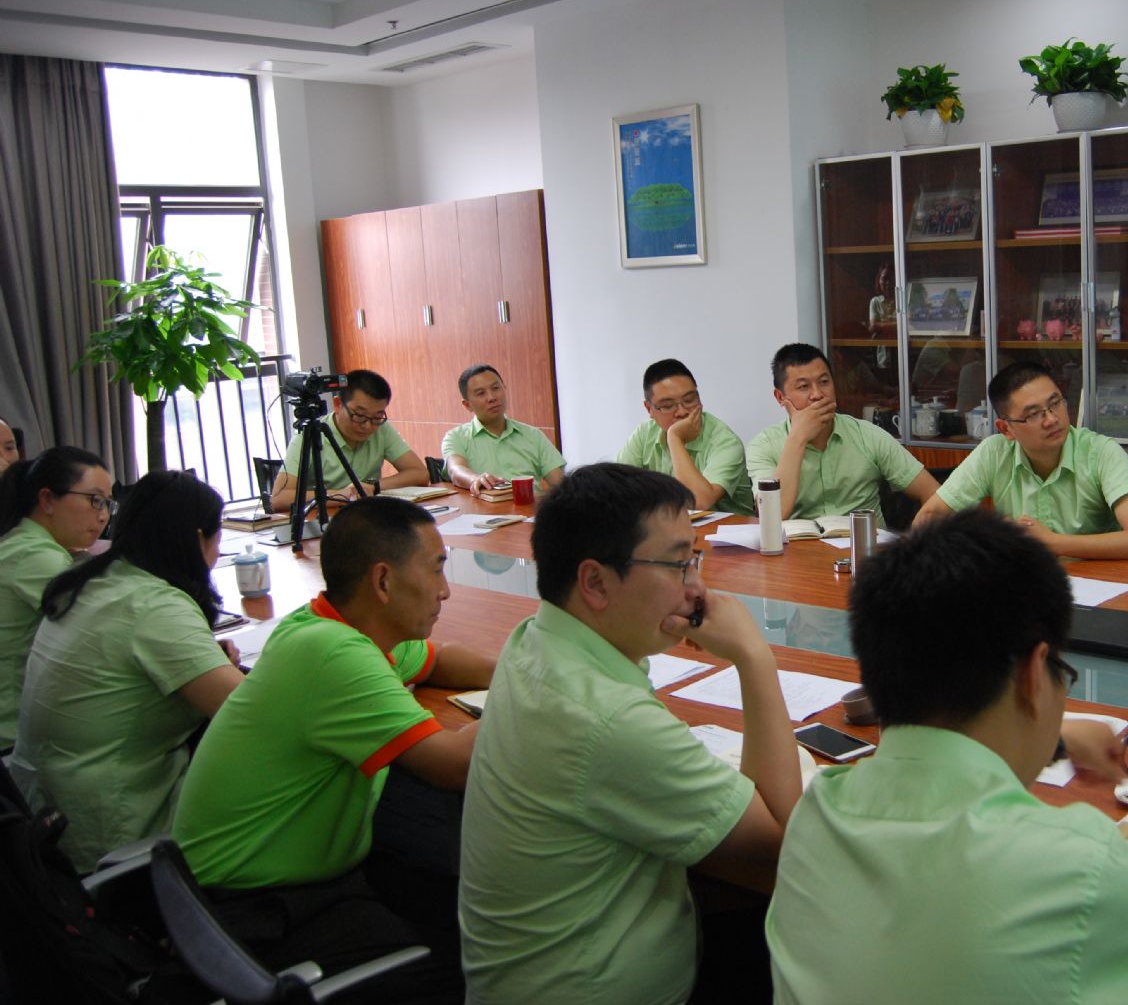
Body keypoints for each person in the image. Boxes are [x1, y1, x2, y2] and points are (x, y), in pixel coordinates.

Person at [766, 509, 1128, 1005]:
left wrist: (1055, 737)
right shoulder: (1080, 868)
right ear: (1034, 674)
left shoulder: (816, 815)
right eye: (1062, 671)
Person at [460, 463, 802, 1004]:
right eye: (678, 565)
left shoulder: (535, 639)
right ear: (595, 582)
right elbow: (780, 843)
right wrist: (754, 656)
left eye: (694, 560)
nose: (697, 588)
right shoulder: (609, 721)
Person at [172, 497, 494, 1005]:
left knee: (438, 887)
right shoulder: (335, 654)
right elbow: (456, 765)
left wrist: (515, 670)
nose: (445, 590)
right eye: (436, 569)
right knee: (474, 964)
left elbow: (438, 660)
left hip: (245, 879)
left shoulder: (328, 625)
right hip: (251, 907)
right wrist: (531, 692)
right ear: (383, 581)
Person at [11, 471, 244, 871]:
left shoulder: (93, 580)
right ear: (198, 538)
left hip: (45, 809)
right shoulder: (155, 606)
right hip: (113, 830)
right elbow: (251, 713)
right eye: (218, 539)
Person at [913, 361, 1128, 559]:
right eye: (1033, 414)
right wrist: (987, 538)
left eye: (1055, 404)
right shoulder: (994, 453)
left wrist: (1054, 543)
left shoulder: (1101, 452)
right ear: (1006, 429)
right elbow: (928, 519)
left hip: (1102, 587)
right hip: (1027, 584)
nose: (1052, 419)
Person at [746, 343, 938, 519]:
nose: (818, 395)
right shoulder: (763, 446)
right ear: (780, 397)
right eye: (804, 387)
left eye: (824, 382)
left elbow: (933, 493)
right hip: (801, 546)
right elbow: (771, 516)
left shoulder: (868, 435)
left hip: (866, 543)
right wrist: (797, 438)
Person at [0, 447, 111, 750]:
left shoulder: (22, 542)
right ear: (47, 500)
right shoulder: (35, 557)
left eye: (107, 504)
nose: (103, 515)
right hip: (11, 740)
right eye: (94, 500)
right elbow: (107, 633)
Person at [270, 368, 428, 511]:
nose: (367, 425)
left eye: (377, 417)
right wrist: (342, 495)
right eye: (359, 415)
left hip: (365, 517)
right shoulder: (310, 435)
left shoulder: (381, 429)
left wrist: (373, 487)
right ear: (338, 405)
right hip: (322, 521)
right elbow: (278, 498)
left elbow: (420, 473)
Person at [617, 358, 754, 514]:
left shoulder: (725, 441)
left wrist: (675, 438)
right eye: (668, 406)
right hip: (667, 525)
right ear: (649, 409)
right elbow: (616, 490)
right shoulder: (644, 434)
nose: (682, 412)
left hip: (726, 528)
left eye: (689, 400)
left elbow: (699, 502)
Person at [442, 363, 565, 497]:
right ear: (467, 405)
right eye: (481, 393)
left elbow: (559, 483)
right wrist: (475, 479)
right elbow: (456, 470)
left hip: (530, 507)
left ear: (504, 389)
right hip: (485, 508)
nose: (492, 397)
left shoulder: (533, 435)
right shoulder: (456, 437)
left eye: (496, 388)